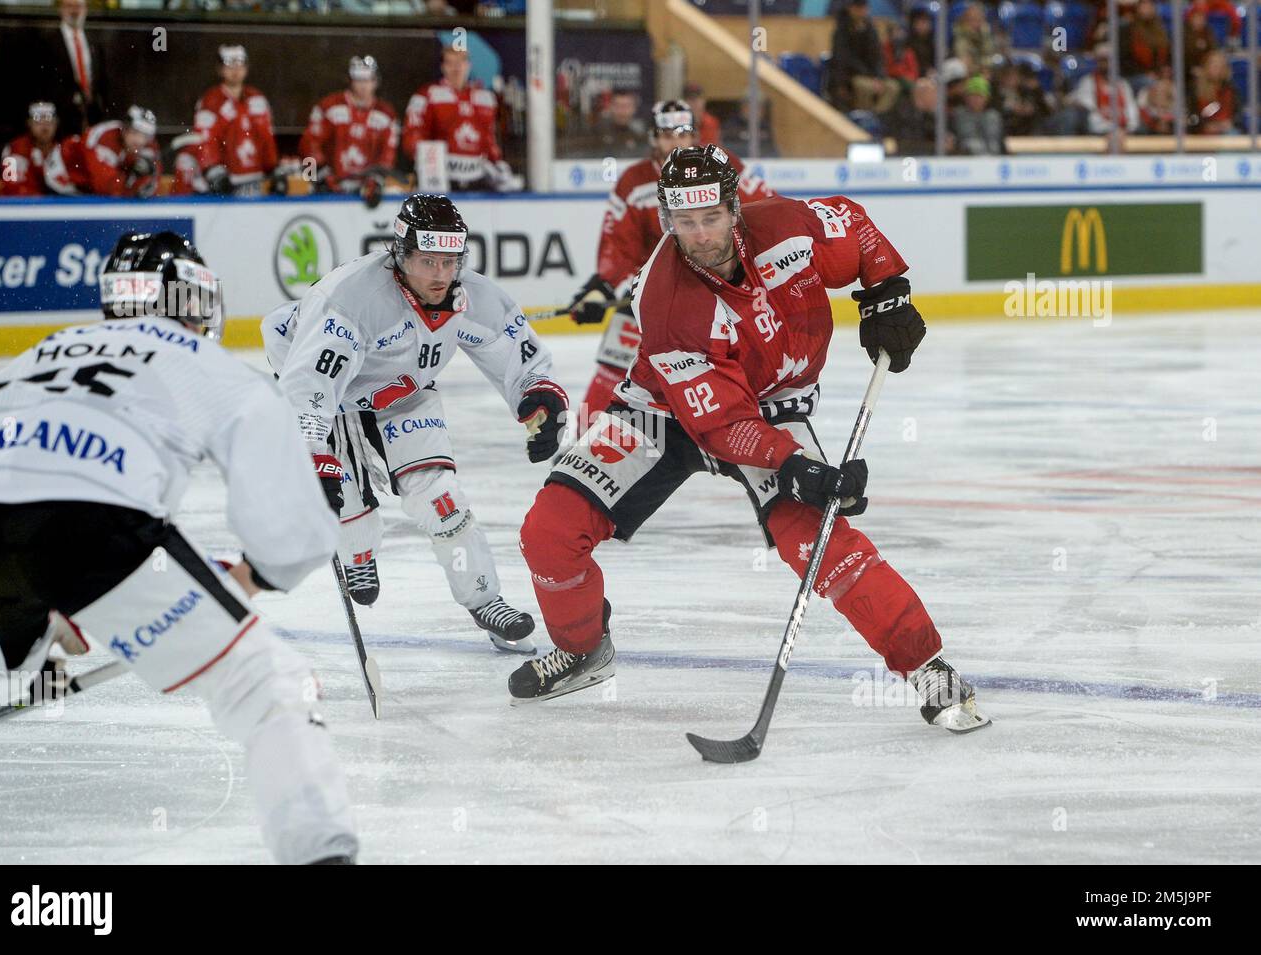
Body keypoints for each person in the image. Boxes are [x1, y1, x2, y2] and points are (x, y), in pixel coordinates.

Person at [509, 145, 990, 737]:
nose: (700, 234)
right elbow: (720, 425)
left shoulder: (786, 229)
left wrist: (887, 293)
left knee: (822, 544)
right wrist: (797, 467)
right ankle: (582, 650)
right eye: (684, 222)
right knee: (550, 532)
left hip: (773, 407)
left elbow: (856, 227)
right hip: (663, 411)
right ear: (666, 219)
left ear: (735, 207)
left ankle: (929, 670)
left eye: (710, 217)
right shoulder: (666, 303)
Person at [0, 231, 358, 864]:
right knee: (271, 685)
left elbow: (7, 483)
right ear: (192, 302)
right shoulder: (199, 360)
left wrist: (44, 607)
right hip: (95, 530)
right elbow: (294, 522)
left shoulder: (42, 351)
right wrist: (259, 572)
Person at [261, 195, 567, 653]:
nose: (441, 275)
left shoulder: (471, 296)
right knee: (346, 500)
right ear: (400, 255)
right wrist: (312, 454)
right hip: (335, 394)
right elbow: (311, 387)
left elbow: (519, 356)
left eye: (449, 261)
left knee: (440, 497)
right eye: (428, 261)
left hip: (406, 392)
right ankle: (356, 552)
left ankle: (485, 598)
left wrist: (537, 396)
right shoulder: (350, 301)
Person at [564, 102, 774, 431]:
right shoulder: (634, 182)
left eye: (685, 133)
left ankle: (752, 436)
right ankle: (581, 440)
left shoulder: (724, 166)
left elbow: (766, 213)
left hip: (719, 292)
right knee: (612, 368)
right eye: (667, 134)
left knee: (746, 365)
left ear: (696, 134)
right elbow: (617, 244)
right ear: (653, 138)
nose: (677, 142)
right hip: (655, 294)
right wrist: (605, 284)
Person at [402, 45, 511, 192]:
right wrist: (428, 165)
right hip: (440, 180)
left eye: (460, 62)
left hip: (477, 180)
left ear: (469, 65)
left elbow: (489, 138)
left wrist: (497, 163)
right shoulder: (426, 95)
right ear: (442, 67)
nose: (456, 68)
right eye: (450, 63)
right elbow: (412, 136)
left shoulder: (485, 97)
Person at [299, 55, 401, 206]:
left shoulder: (386, 114)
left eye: (368, 80)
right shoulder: (329, 106)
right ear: (350, 81)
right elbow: (307, 147)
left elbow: (388, 155)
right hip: (329, 189)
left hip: (366, 191)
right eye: (358, 80)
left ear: (376, 81)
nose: (363, 86)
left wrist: (377, 180)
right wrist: (318, 177)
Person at [191, 45, 281, 197]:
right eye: (229, 65)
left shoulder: (257, 98)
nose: (235, 70)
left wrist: (273, 167)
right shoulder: (211, 101)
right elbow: (204, 139)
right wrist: (213, 170)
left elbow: (267, 137)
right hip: (226, 181)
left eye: (240, 64)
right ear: (220, 69)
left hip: (256, 180)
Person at [28, 0, 110, 135]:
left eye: (79, 6)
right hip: (61, 119)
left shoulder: (94, 41)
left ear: (86, 9)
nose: (75, 11)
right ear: (61, 9)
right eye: (69, 6)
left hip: (90, 117)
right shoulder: (47, 41)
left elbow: (101, 79)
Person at [43, 104, 161, 197]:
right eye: (135, 132)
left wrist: (144, 182)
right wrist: (133, 181)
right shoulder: (103, 139)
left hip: (90, 185)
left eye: (145, 136)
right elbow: (106, 186)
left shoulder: (149, 144)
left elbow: (152, 185)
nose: (140, 140)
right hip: (62, 176)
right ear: (124, 128)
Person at [827, 0, 901, 115]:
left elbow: (877, 56)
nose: (861, 11)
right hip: (851, 75)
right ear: (850, 8)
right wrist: (869, 76)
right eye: (858, 7)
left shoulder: (870, 29)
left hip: (871, 75)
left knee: (892, 86)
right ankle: (863, 118)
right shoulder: (841, 30)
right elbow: (844, 59)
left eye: (864, 7)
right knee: (865, 87)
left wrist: (878, 76)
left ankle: (877, 116)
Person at [0, 101, 59, 197]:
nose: (44, 127)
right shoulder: (15, 150)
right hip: (20, 207)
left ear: (56, 124)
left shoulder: (60, 150)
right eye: (38, 123)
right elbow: (11, 187)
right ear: (29, 124)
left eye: (49, 122)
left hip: (50, 207)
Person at [952, 75, 1004, 155]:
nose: (976, 99)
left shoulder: (993, 116)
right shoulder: (958, 115)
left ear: (987, 98)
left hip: (993, 158)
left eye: (980, 96)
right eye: (973, 95)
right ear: (966, 97)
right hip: (966, 159)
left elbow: (997, 140)